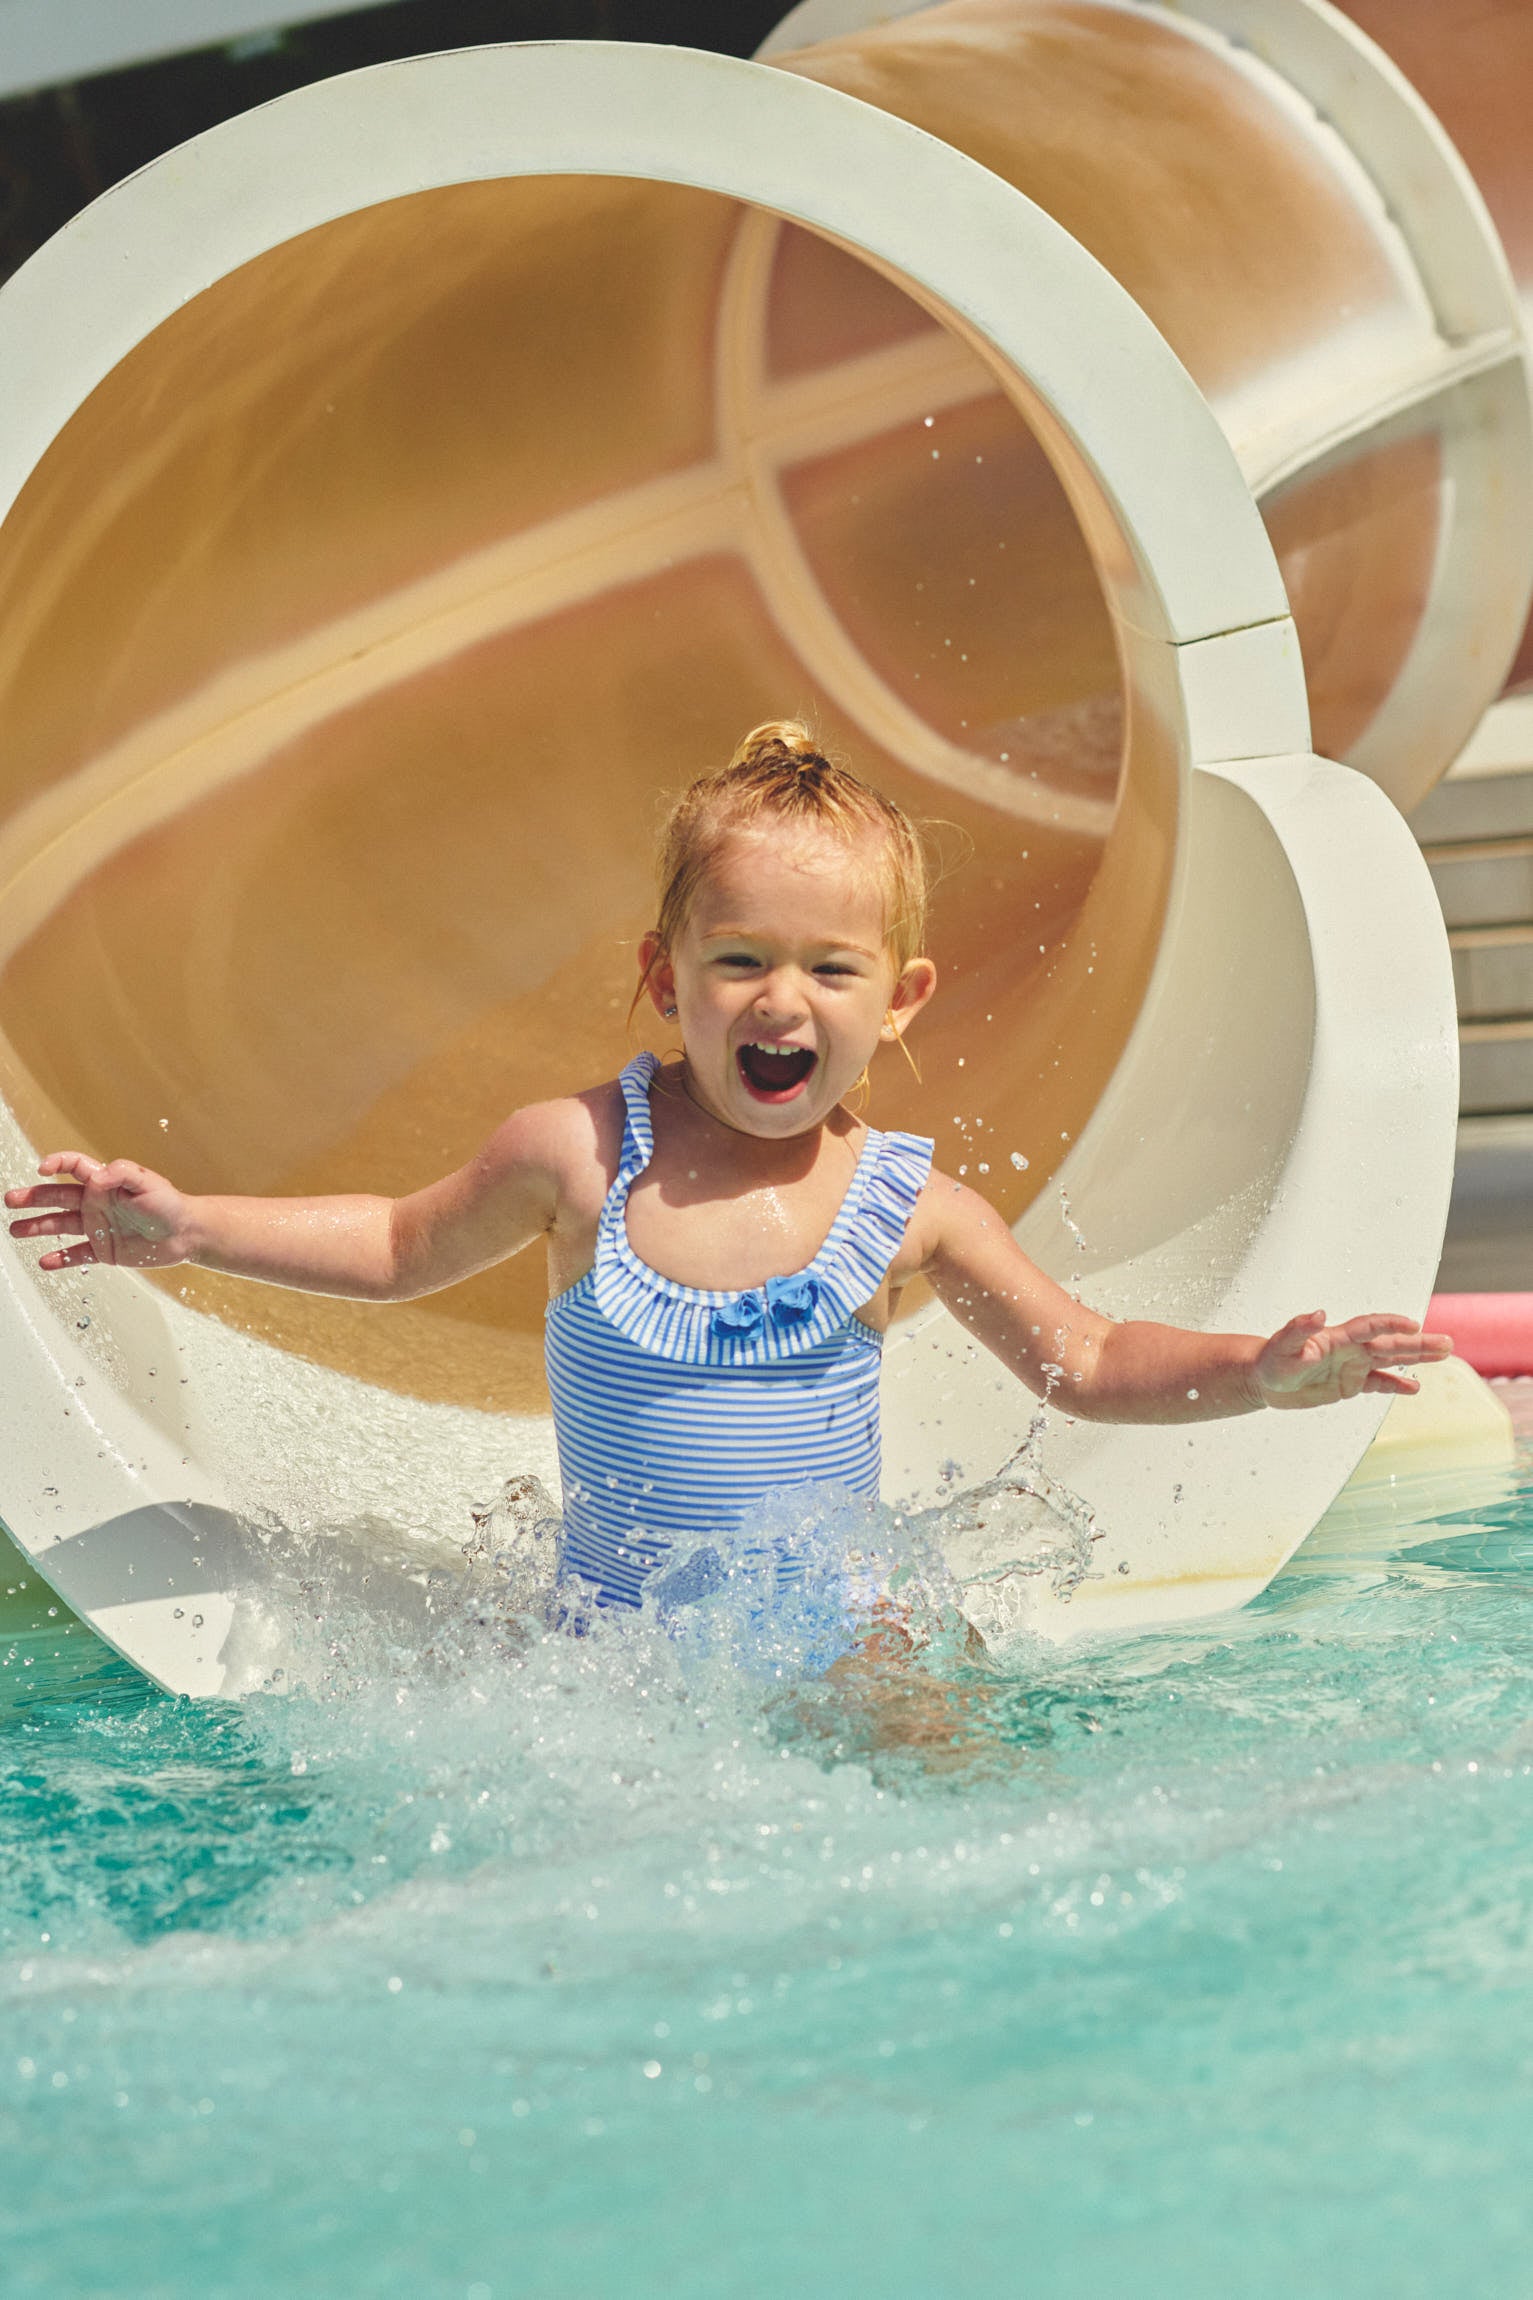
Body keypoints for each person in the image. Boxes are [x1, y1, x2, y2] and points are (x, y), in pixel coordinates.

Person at [6, 721, 1450, 1618]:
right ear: (667, 977)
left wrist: (1260, 1372)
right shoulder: (577, 1158)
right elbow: (396, 1246)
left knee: (943, 1778)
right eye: (740, 959)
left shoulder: (913, 1212)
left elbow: (1088, 1359)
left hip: (842, 1635)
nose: (781, 1001)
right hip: (618, 1649)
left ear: (899, 1000)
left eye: (831, 968)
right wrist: (187, 1228)